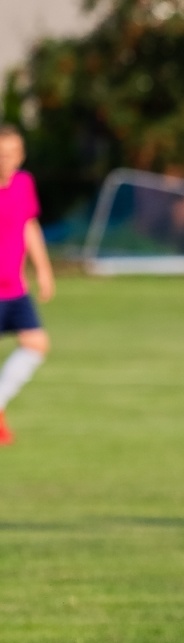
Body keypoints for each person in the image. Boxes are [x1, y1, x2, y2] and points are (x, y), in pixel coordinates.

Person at [0, 125, 55, 447]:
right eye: (0, 155)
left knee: (36, 344)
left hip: (14, 288)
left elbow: (29, 225)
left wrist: (44, 270)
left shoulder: (23, 184)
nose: (5, 161)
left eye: (11, 155)